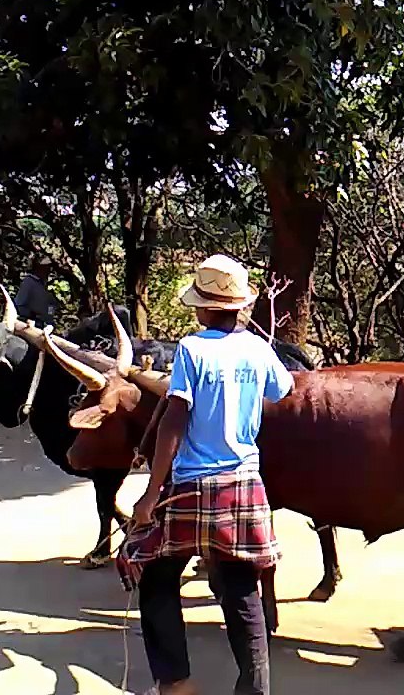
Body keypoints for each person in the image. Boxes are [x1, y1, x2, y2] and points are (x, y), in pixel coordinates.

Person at [118, 254, 292, 695]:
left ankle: (175, 684)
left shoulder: (193, 348)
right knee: (239, 588)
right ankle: (255, 688)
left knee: (154, 576)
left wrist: (149, 495)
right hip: (244, 483)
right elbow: (282, 390)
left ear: (207, 307)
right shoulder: (258, 347)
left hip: (191, 485)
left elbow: (174, 420)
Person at [13, 254, 59, 327]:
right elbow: (20, 304)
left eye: (48, 267)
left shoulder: (46, 287)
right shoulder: (29, 282)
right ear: (38, 268)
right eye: (45, 267)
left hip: (42, 325)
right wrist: (29, 317)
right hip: (28, 323)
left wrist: (49, 318)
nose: (48, 270)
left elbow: (51, 306)